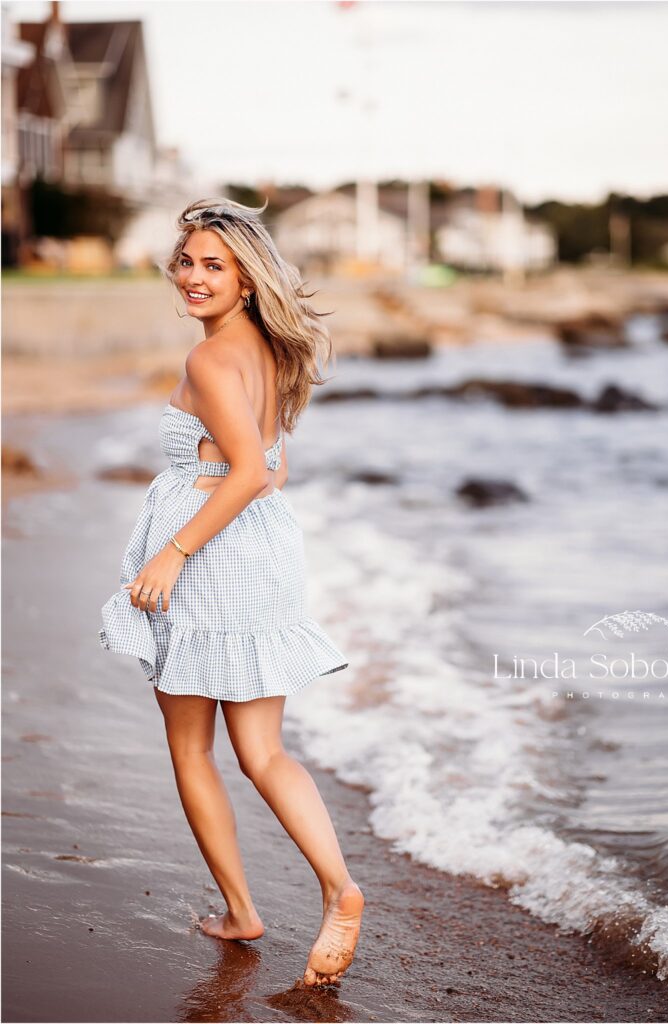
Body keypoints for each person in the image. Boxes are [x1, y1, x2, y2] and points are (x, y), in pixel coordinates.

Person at [98, 197, 363, 987]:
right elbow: (271, 468)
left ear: (247, 276)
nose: (193, 276)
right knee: (265, 751)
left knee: (192, 747)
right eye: (186, 261)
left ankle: (245, 907)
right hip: (260, 550)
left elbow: (247, 471)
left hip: (209, 558)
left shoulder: (210, 361)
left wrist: (174, 551)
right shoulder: (271, 351)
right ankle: (339, 888)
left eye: (213, 264)